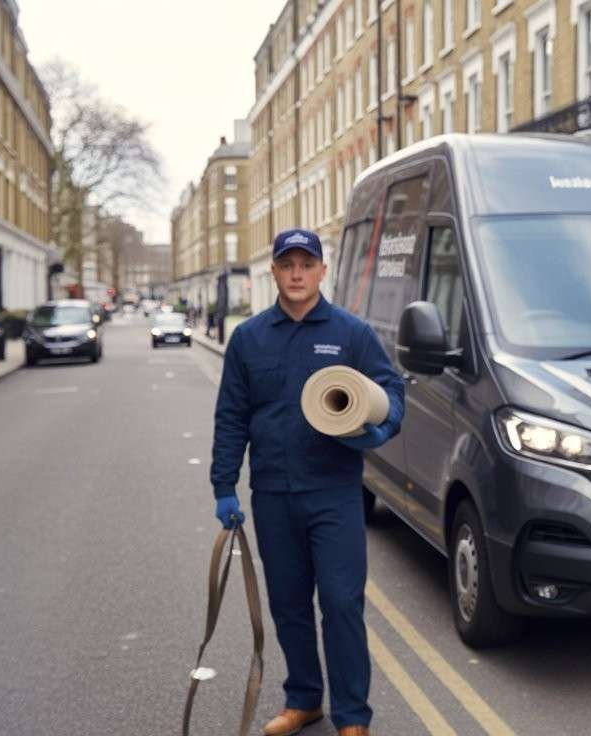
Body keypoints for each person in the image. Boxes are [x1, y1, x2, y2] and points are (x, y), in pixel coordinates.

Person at [210, 227, 405, 736]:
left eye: (306, 264)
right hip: (273, 493)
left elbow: (389, 390)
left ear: (321, 271)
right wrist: (224, 485)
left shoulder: (351, 334)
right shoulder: (249, 339)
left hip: (335, 492)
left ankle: (353, 717)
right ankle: (303, 700)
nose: (297, 273)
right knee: (288, 604)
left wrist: (382, 425)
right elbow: (231, 415)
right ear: (273, 271)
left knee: (341, 603)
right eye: (287, 264)